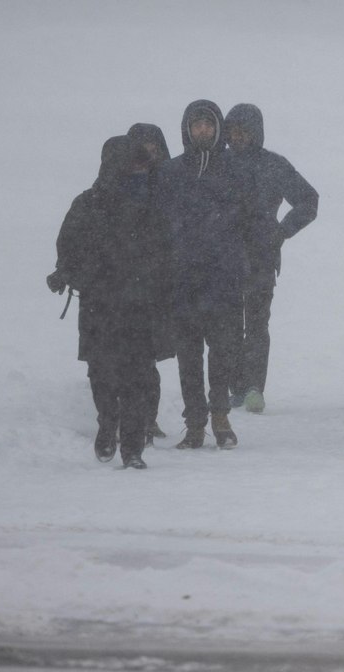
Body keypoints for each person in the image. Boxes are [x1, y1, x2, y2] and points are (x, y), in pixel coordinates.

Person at [47, 135, 171, 469]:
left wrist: (163, 282)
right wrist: (64, 273)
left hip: (139, 304)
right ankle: (107, 421)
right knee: (100, 372)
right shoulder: (88, 203)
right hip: (99, 304)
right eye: (136, 162)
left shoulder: (153, 204)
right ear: (116, 164)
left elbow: (168, 249)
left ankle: (132, 448)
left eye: (144, 163)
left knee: (137, 375)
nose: (142, 169)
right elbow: (68, 245)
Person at [158, 99, 247, 449]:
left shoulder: (235, 169)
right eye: (197, 125)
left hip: (223, 279)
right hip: (182, 281)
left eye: (209, 124)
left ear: (218, 128)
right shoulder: (171, 172)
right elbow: (159, 223)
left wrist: (247, 261)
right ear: (187, 129)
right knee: (188, 357)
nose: (203, 131)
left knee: (222, 353)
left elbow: (250, 218)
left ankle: (221, 416)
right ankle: (195, 423)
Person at [224, 103, 318, 413]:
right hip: (221, 258)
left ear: (256, 133)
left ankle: (253, 389)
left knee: (256, 323)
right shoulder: (216, 164)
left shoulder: (274, 165)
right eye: (233, 131)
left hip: (260, 257)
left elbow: (308, 200)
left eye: (244, 131)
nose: (238, 137)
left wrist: (280, 233)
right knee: (227, 324)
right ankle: (235, 387)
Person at [126, 122, 173, 443]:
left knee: (146, 357)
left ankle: (147, 420)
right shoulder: (116, 182)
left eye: (153, 144)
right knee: (124, 357)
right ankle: (124, 418)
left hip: (158, 281)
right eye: (142, 144)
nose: (148, 150)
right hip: (123, 281)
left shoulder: (170, 183)